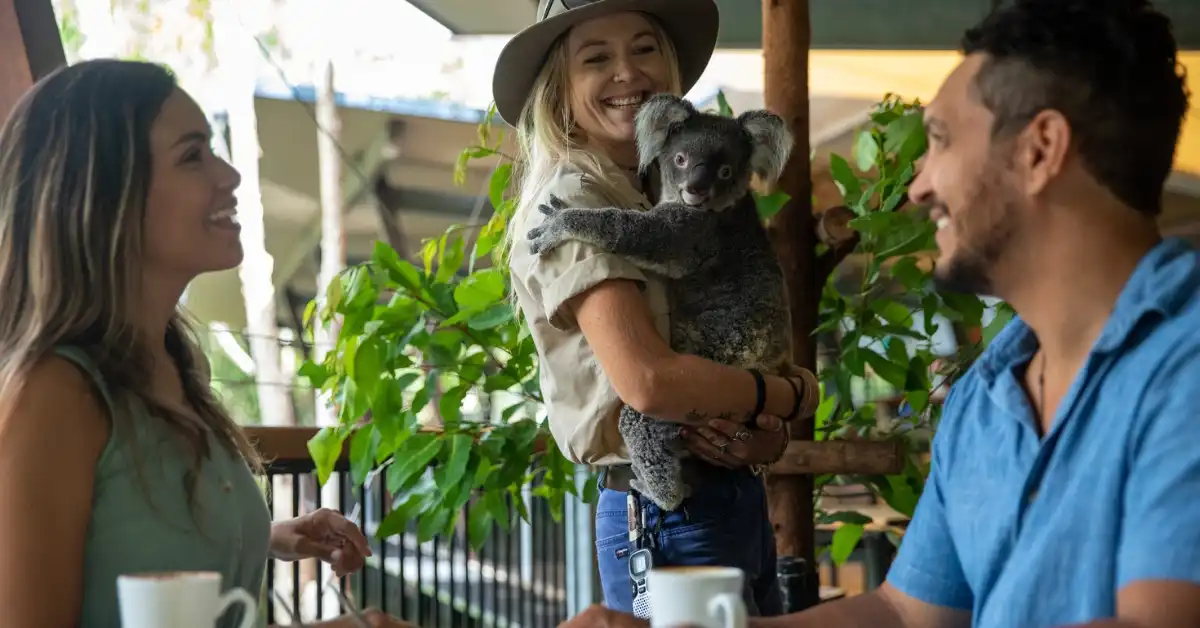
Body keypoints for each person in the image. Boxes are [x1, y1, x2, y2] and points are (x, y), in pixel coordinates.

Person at [557, 0, 1200, 627]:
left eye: (940, 140)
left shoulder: (1184, 363)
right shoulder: (987, 396)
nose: (918, 184)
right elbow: (903, 610)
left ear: (1041, 149)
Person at [0, 59, 412, 628]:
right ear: (104, 193)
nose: (229, 176)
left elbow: (129, 542)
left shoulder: (169, 367)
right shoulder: (54, 395)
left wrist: (261, 537)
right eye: (193, 155)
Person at [493, 0, 820, 617]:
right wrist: (785, 397)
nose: (627, 72)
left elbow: (753, 362)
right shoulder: (573, 198)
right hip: (661, 506)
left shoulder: (673, 183)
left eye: (644, 49)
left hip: (731, 494)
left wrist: (761, 432)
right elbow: (647, 384)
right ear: (559, 94)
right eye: (597, 58)